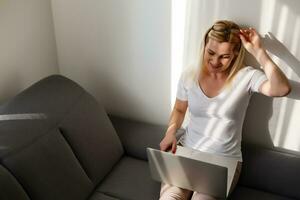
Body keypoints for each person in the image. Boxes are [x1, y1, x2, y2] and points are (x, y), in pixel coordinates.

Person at [159, 20, 291, 200]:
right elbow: (179, 109)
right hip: (187, 151)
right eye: (211, 52)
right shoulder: (189, 74)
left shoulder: (247, 77)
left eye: (224, 56)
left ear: (236, 54)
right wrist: (170, 133)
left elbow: (282, 88)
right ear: (204, 46)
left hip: (223, 161)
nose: (215, 61)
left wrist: (259, 52)